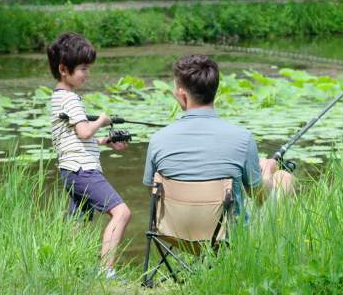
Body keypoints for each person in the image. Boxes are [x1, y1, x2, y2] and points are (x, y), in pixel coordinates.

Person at [143, 54, 293, 219]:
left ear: (182, 95)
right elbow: (259, 198)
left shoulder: (158, 139)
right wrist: (267, 172)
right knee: (284, 178)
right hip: (226, 237)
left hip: (173, 234)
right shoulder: (243, 138)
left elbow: (152, 192)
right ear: (215, 91)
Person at [47, 32, 131, 279]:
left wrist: (104, 141)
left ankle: (67, 269)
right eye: (83, 68)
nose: (87, 74)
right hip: (84, 171)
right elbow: (83, 131)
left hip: (71, 169)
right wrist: (103, 121)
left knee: (78, 222)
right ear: (64, 69)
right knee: (122, 213)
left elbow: (74, 137)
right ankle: (107, 272)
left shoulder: (58, 97)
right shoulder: (71, 99)